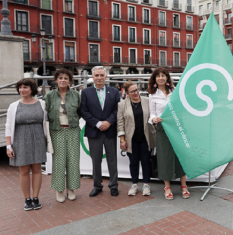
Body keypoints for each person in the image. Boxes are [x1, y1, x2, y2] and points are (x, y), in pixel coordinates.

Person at [148, 67, 190, 200]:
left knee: (180, 155)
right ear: (155, 79)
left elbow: (181, 107)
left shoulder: (174, 92)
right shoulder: (152, 95)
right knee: (164, 157)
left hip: (177, 127)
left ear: (167, 78)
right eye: (158, 76)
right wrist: (154, 119)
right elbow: (152, 114)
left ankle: (184, 185)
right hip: (162, 128)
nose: (161, 78)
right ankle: (167, 187)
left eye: (163, 75)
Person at [5, 78, 47, 211]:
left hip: (38, 139)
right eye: (20, 88)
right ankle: (27, 199)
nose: (22, 90)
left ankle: (36, 197)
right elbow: (8, 125)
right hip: (20, 140)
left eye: (25, 87)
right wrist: (8, 146)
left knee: (37, 169)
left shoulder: (42, 104)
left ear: (32, 89)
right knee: (23, 171)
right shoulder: (13, 106)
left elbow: (46, 122)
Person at [80, 66, 121, 197]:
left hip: (110, 130)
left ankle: (113, 186)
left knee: (112, 159)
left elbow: (117, 110)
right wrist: (97, 123)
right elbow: (84, 111)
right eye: (96, 75)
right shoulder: (85, 92)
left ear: (106, 76)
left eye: (101, 75)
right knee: (96, 160)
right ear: (92, 77)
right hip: (94, 131)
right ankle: (97, 186)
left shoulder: (114, 92)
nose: (99, 78)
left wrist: (108, 122)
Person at [44, 69, 82, 203]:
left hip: (72, 130)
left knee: (73, 161)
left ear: (70, 81)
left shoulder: (76, 95)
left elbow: (80, 111)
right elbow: (44, 113)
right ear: (56, 80)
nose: (63, 80)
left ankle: (71, 189)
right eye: (60, 78)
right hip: (56, 131)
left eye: (66, 78)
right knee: (59, 162)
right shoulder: (50, 96)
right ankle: (59, 190)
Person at [117, 81, 156, 196]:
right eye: (132, 91)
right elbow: (120, 123)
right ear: (127, 93)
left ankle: (146, 185)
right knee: (133, 162)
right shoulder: (122, 105)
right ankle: (134, 185)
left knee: (146, 161)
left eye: (137, 90)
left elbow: (154, 115)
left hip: (146, 137)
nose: (136, 93)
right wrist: (122, 140)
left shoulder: (147, 101)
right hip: (131, 139)